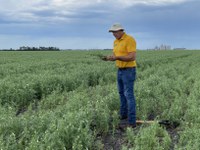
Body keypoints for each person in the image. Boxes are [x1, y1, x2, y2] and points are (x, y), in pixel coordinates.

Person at [105, 23, 137, 128]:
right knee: (121, 93)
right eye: (112, 32)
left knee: (129, 94)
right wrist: (110, 58)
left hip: (129, 70)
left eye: (115, 32)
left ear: (121, 30)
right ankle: (123, 115)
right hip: (120, 70)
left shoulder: (129, 39)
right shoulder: (115, 42)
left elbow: (132, 57)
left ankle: (132, 122)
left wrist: (117, 58)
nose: (113, 34)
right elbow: (116, 55)